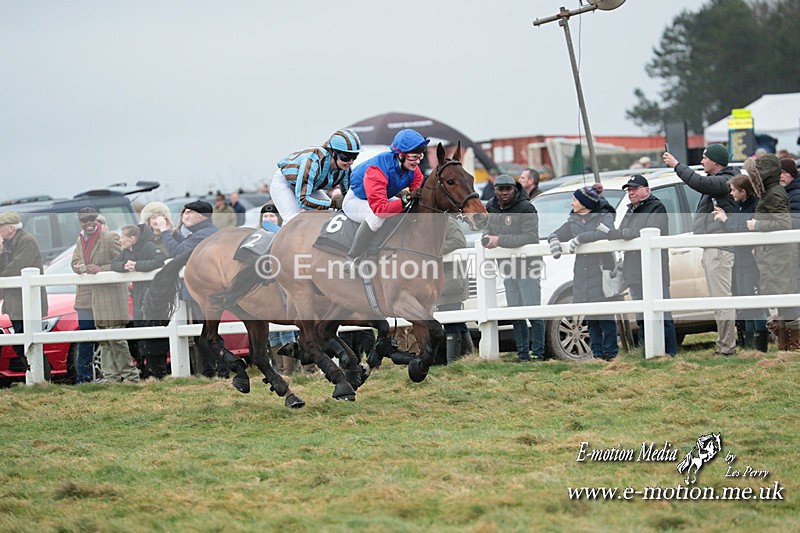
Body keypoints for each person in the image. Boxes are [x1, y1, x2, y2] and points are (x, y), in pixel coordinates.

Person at [663, 144, 739, 356]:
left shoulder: (724, 181)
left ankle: (727, 347)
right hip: (713, 248)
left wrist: (677, 165)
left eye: (705, 158)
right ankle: (725, 344)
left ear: (715, 162)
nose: (702, 162)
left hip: (720, 249)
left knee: (721, 299)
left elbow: (699, 183)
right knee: (718, 299)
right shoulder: (721, 180)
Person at [609, 174, 678, 356]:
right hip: (634, 270)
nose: (631, 193)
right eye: (629, 190)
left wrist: (623, 233)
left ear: (646, 190)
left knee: (662, 315)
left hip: (653, 270)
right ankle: (646, 351)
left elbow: (647, 232)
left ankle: (669, 353)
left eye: (634, 189)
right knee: (641, 316)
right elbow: (624, 231)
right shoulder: (631, 209)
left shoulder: (657, 207)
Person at [548, 184, 619, 360]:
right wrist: (554, 241)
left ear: (585, 203)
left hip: (601, 273)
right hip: (582, 275)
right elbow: (556, 233)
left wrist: (580, 239)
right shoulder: (573, 220)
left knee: (606, 318)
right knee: (591, 319)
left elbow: (604, 233)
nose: (571, 203)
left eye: (575, 200)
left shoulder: (604, 216)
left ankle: (611, 354)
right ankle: (596, 354)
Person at [342, 129, 429, 272]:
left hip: (381, 197)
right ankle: (352, 258)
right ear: (400, 155)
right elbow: (380, 210)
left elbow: (416, 199)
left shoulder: (415, 170)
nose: (418, 161)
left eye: (421, 156)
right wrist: (406, 198)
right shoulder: (376, 170)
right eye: (414, 157)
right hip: (356, 200)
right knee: (376, 218)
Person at [152, 200, 222, 376]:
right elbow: (184, 246)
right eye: (184, 212)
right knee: (204, 333)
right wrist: (173, 232)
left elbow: (177, 252)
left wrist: (165, 232)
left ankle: (215, 370)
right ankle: (214, 370)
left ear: (201, 216)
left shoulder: (203, 235)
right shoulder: (204, 232)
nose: (185, 215)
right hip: (202, 291)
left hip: (204, 291)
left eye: (189, 212)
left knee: (207, 333)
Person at [71, 208, 139, 383]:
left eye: (92, 219)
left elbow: (123, 262)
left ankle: (131, 376)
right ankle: (111, 377)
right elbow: (75, 260)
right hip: (96, 297)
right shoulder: (81, 240)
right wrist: (77, 267)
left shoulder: (109, 238)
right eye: (85, 220)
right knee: (104, 340)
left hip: (113, 295)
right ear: (80, 223)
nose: (89, 223)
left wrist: (102, 269)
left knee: (116, 338)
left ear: (97, 220)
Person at [483, 174, 544, 362]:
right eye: (500, 189)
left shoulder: (526, 208)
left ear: (515, 188)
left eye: (507, 189)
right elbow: (487, 230)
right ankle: (522, 353)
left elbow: (530, 237)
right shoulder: (490, 207)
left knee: (532, 311)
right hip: (507, 267)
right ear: (494, 189)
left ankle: (539, 353)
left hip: (528, 265)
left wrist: (500, 240)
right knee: (515, 313)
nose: (503, 193)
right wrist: (487, 238)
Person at [745, 155, 800, 350]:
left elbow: (783, 223)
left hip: (780, 256)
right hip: (773, 255)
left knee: (787, 299)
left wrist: (757, 225)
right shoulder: (770, 192)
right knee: (782, 301)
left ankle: (793, 346)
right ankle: (786, 346)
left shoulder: (774, 193)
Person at [713, 174, 769, 352]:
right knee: (745, 302)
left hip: (751, 262)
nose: (731, 194)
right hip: (741, 260)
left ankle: (759, 347)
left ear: (743, 191)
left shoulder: (754, 206)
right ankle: (750, 345)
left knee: (754, 302)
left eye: (733, 190)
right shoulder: (740, 206)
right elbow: (736, 225)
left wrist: (726, 220)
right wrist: (727, 219)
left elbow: (743, 227)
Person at [111, 224, 168, 377]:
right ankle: (146, 372)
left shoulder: (149, 246)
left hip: (152, 300)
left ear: (132, 238)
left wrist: (137, 266)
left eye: (123, 236)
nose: (120, 239)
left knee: (154, 337)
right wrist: (125, 266)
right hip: (138, 299)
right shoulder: (126, 252)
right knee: (140, 335)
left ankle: (158, 373)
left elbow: (160, 260)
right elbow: (114, 265)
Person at [271, 128, 362, 223]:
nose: (351, 162)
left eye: (354, 156)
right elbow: (303, 200)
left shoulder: (346, 170)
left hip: (310, 187)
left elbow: (348, 198)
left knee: (332, 214)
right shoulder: (313, 162)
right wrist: (333, 203)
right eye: (346, 156)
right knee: (292, 220)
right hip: (285, 183)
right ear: (333, 153)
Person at [0, 211, 48, 371]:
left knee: (29, 342)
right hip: (16, 302)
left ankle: (41, 376)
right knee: (20, 341)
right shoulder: (7, 243)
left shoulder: (27, 241)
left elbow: (16, 268)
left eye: (1, 226)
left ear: (11, 228)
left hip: (28, 302)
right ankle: (35, 374)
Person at [435, 217, 473, 364]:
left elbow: (459, 241)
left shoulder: (447, 221)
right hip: (440, 280)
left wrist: (435, 248)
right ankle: (469, 356)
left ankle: (452, 362)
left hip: (452, 280)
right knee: (458, 323)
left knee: (451, 322)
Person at [779, 157, 800, 290]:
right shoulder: (789, 192)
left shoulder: (796, 193)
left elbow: (796, 221)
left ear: (791, 173)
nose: (780, 176)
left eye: (783, 172)